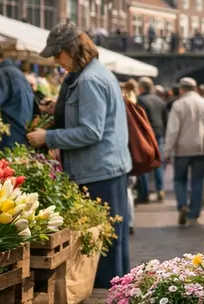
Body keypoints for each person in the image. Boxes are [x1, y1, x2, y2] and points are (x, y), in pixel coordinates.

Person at [27, 23, 131, 284]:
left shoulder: (89, 81)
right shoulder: (92, 74)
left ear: (72, 50)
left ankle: (108, 292)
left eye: (57, 54)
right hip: (104, 167)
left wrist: (47, 137)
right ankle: (116, 290)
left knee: (104, 244)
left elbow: (91, 132)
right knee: (111, 240)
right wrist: (58, 109)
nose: (55, 60)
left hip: (99, 171)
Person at [163, 77, 204, 226]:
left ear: (181, 89)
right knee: (198, 181)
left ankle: (182, 204)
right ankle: (194, 214)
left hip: (182, 149)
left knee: (179, 179)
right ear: (195, 88)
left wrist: (167, 150)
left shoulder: (178, 105)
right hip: (201, 148)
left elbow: (172, 130)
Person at [135, 77, 167, 204]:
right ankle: (160, 189)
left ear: (141, 88)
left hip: (146, 134)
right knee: (158, 163)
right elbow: (165, 119)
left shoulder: (140, 100)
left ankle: (145, 193)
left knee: (145, 164)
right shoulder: (160, 100)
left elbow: (139, 119)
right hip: (159, 133)